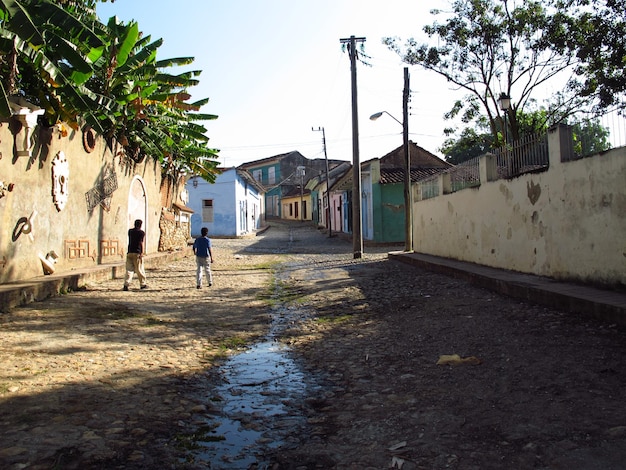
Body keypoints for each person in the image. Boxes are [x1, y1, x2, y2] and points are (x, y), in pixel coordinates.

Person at [123, 219, 147, 291]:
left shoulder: (130, 231)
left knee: (129, 270)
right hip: (137, 252)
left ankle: (126, 284)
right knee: (139, 269)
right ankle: (142, 284)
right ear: (140, 225)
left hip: (130, 252)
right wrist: (142, 252)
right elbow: (141, 243)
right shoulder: (141, 233)